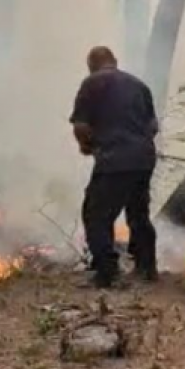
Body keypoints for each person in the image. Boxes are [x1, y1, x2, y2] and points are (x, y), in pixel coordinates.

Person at [69, 46, 159, 288]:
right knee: (138, 214)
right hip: (144, 160)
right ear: (114, 61)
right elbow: (153, 127)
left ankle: (107, 272)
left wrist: (87, 146)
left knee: (96, 214)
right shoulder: (140, 86)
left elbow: (81, 126)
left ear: (91, 65)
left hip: (113, 160)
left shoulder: (92, 83)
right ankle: (146, 267)